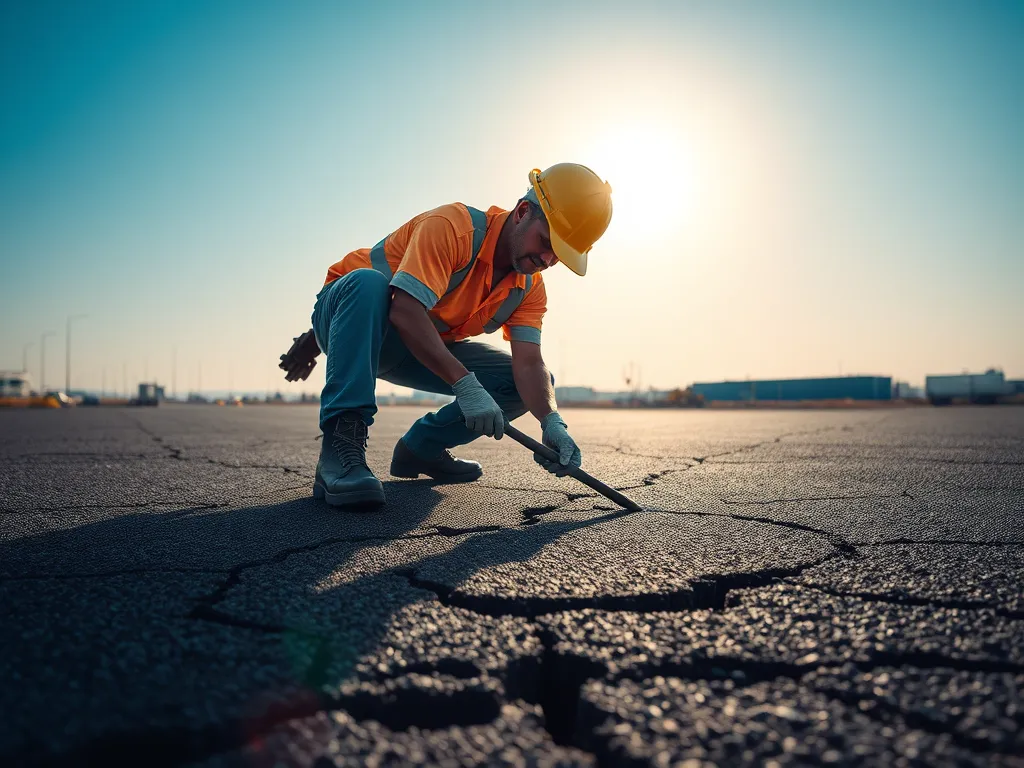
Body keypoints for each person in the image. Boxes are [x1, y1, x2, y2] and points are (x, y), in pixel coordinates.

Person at [308, 163, 613, 508]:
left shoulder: (529, 287)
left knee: (520, 386)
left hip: (416, 347)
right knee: (369, 282)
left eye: (559, 255)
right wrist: (465, 384)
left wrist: (551, 421)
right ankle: (339, 448)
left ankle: (421, 449)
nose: (546, 258)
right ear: (523, 212)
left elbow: (529, 364)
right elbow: (405, 310)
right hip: (353, 319)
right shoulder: (453, 228)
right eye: (546, 242)